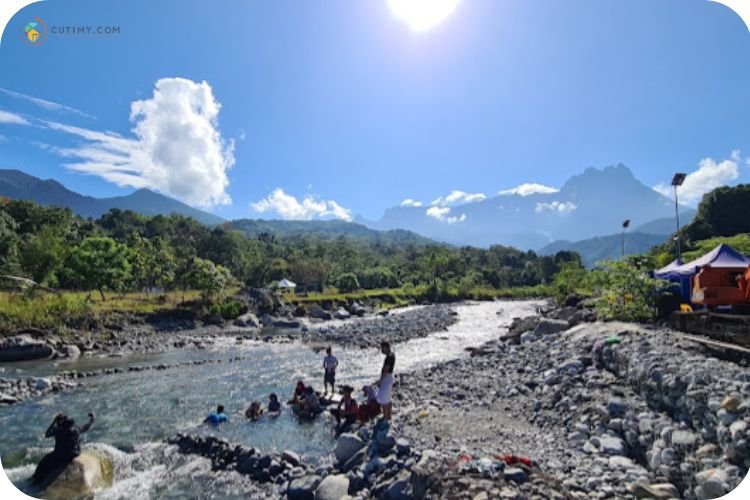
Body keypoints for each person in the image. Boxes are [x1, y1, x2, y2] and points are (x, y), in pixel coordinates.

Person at [32, 411, 95, 484]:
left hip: (60, 456)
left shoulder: (59, 430)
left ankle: (36, 479)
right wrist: (92, 420)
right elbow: (86, 427)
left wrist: (54, 421)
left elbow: (47, 434)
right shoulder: (76, 430)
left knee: (44, 462)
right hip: (73, 454)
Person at [377, 341, 395, 421]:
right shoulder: (392, 355)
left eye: (382, 348)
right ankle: (388, 415)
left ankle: (386, 415)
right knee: (387, 397)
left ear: (386, 347)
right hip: (389, 376)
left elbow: (386, 370)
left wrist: (380, 380)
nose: (381, 350)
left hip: (387, 377)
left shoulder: (389, 357)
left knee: (383, 397)